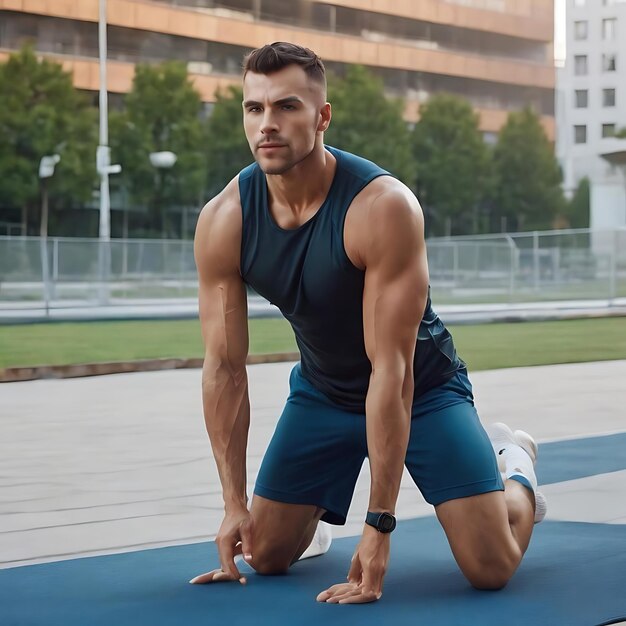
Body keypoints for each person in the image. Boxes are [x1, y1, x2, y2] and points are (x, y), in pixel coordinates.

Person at [190, 41, 546, 604]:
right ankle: (306, 516)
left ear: (322, 116)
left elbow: (393, 369)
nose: (267, 125)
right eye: (254, 109)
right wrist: (234, 503)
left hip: (421, 390)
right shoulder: (225, 218)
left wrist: (379, 525)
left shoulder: (382, 208)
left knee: (489, 568)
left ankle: (517, 462)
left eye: (287, 107)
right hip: (324, 394)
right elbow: (225, 368)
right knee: (264, 555)